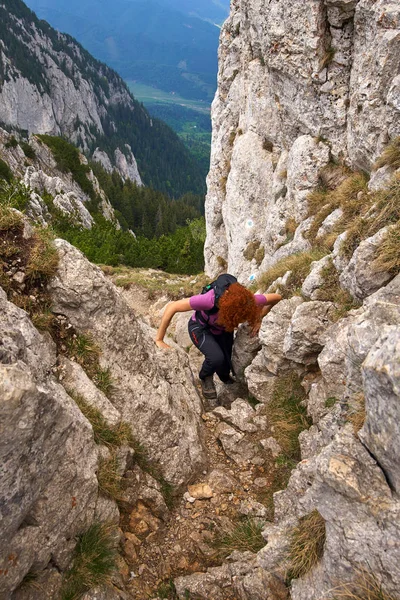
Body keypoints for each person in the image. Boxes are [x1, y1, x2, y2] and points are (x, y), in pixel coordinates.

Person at [155, 275, 282, 401]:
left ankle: (224, 377)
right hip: (200, 327)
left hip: (224, 330)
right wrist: (159, 339)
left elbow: (277, 298)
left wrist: (258, 318)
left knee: (225, 364)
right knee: (216, 357)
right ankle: (205, 376)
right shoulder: (208, 300)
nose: (242, 321)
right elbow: (172, 307)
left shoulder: (249, 301)